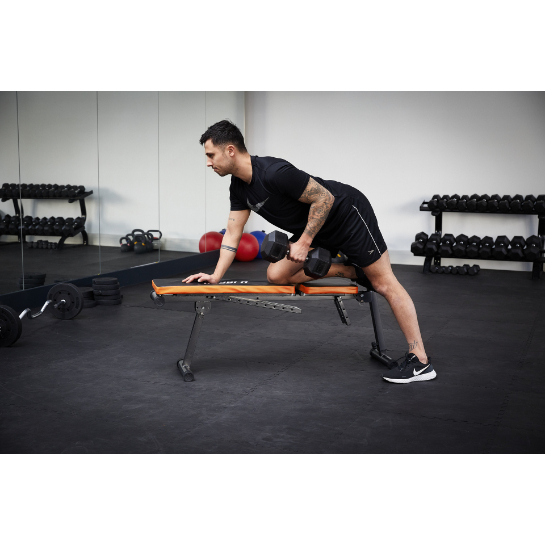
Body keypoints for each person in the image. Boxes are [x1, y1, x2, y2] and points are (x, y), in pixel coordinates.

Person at [183, 120, 436, 384]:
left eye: (211, 155)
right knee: (277, 275)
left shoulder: (273, 172)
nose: (208, 163)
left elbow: (325, 198)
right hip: (316, 227)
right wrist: (216, 276)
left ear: (230, 150)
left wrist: (304, 242)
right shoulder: (238, 187)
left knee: (384, 283)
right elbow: (232, 233)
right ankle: (353, 271)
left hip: (346, 214)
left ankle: (420, 360)